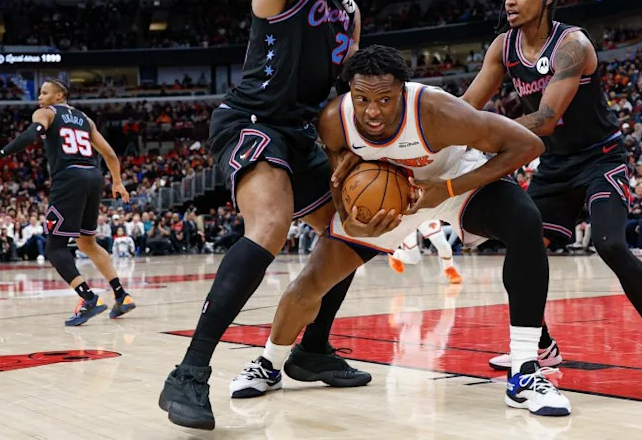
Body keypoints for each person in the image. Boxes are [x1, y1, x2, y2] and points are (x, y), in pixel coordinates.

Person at [160, 0, 461, 431]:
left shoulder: (346, 5)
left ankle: (313, 347)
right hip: (252, 118)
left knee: (364, 224)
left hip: (304, 129)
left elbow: (345, 88)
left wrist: (367, 151)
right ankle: (189, 371)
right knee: (269, 224)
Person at [239, 45, 570, 416]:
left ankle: (525, 371)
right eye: (362, 98)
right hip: (392, 192)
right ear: (350, 93)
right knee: (314, 278)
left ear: (403, 91)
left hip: (453, 178)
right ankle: (269, 363)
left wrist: (443, 191)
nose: (373, 110)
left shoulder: (439, 112)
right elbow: (339, 177)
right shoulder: (334, 120)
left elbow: (528, 144)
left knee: (524, 220)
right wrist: (350, 219)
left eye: (385, 99)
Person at [461, 0, 642, 394]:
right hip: (554, 167)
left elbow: (547, 119)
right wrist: (431, 129)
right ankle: (541, 346)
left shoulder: (572, 44)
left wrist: (485, 135)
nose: (509, 1)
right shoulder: (503, 46)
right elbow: (468, 106)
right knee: (522, 246)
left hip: (600, 159)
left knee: (610, 244)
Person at [0, 79, 137, 323]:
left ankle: (89, 298)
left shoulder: (46, 113)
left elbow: (31, 134)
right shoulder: (86, 120)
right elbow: (108, 154)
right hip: (93, 177)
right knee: (87, 243)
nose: (39, 97)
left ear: (59, 96)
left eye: (44, 93)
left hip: (69, 178)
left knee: (54, 248)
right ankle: (122, 295)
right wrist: (117, 182)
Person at [387, 219, 463, 284]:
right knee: (414, 259)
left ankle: (449, 268)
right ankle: (394, 254)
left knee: (442, 244)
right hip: (406, 217)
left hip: (425, 210)